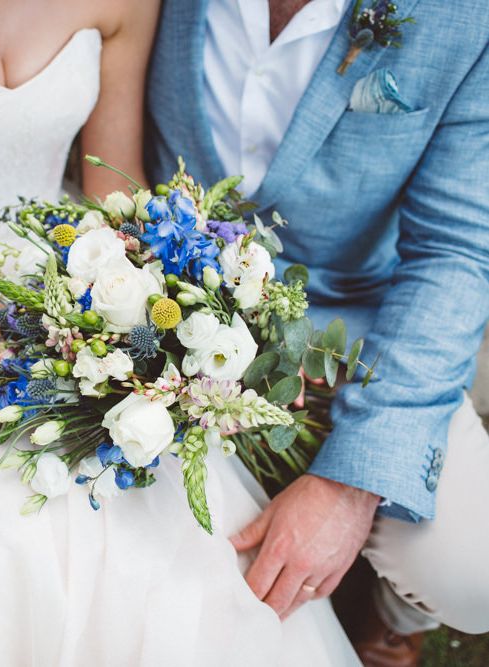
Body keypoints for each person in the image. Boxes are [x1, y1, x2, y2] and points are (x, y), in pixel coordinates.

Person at [0, 0, 361, 664]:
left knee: (155, 550)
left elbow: (112, 193)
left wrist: (127, 320)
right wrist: (76, 350)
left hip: (72, 270)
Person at [146, 0, 489, 665]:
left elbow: (454, 251)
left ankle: (386, 615)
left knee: (471, 571)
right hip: (164, 302)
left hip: (352, 319)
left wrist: (348, 486)